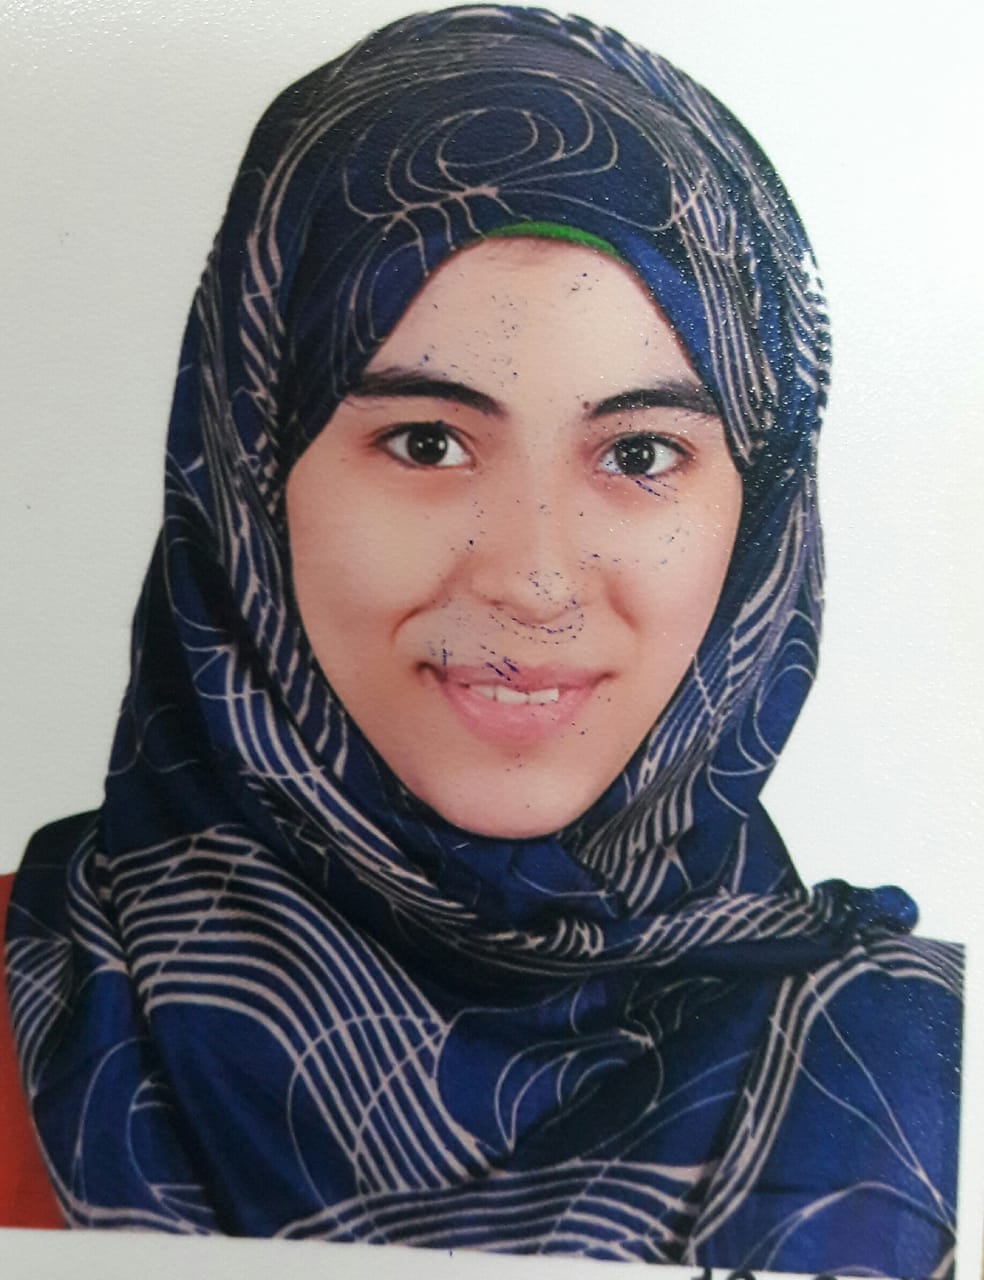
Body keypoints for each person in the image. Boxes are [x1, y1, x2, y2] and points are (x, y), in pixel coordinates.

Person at [1, 4, 961, 1273]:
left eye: (639, 453)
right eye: (426, 441)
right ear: (247, 473)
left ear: (763, 516)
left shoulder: (920, 1064)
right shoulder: (32, 999)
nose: (534, 579)